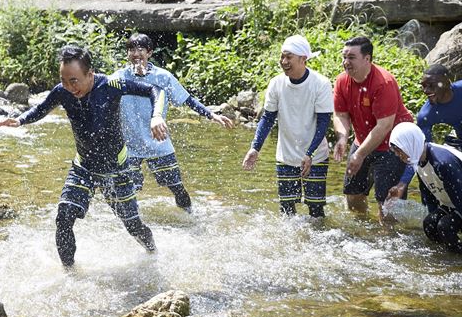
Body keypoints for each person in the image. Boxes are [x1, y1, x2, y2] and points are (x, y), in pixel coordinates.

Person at [0, 45, 169, 268]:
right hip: (84, 166)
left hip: (116, 169)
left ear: (90, 74)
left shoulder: (110, 85)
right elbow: (42, 108)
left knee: (132, 225)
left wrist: (156, 116)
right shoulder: (62, 91)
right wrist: (20, 120)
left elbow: (154, 91)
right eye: (64, 80)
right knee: (64, 217)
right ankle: (69, 274)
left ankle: (153, 253)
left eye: (74, 81)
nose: (69, 87)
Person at [113, 33, 233, 214]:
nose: (136, 53)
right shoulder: (119, 77)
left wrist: (211, 115)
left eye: (140, 49)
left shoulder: (163, 77)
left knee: (176, 186)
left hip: (158, 142)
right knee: (127, 191)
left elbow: (187, 99)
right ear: (127, 54)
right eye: (131, 50)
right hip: (129, 146)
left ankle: (191, 216)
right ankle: (130, 223)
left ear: (150, 53)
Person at [243, 35, 333, 217]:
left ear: (303, 59)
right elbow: (268, 118)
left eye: (289, 57)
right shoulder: (277, 84)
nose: (284, 61)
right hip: (285, 157)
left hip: (315, 158)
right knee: (286, 211)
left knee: (316, 210)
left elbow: (324, 123)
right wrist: (255, 148)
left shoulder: (320, 84)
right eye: (282, 57)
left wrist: (310, 154)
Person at [333, 36, 413, 223]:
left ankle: (388, 241)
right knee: (352, 196)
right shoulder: (342, 81)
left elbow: (384, 126)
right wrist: (343, 137)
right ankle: (364, 230)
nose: (346, 62)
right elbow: (340, 114)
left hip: (393, 147)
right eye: (344, 57)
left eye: (351, 57)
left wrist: (359, 155)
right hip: (362, 141)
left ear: (367, 59)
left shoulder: (383, 82)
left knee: (387, 205)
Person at [387, 63, 462, 199]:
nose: (426, 90)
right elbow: (418, 152)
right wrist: (403, 183)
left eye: (431, 85)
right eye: (423, 86)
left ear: (446, 82)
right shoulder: (426, 115)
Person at [389, 122, 462, 253]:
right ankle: (444, 254)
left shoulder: (442, 162)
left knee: (446, 227)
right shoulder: (419, 160)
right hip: (454, 203)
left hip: (460, 201)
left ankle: (456, 260)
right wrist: (433, 213)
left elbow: (459, 195)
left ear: (410, 144)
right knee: (429, 224)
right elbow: (428, 195)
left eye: (400, 151)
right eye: (397, 152)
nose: (399, 156)